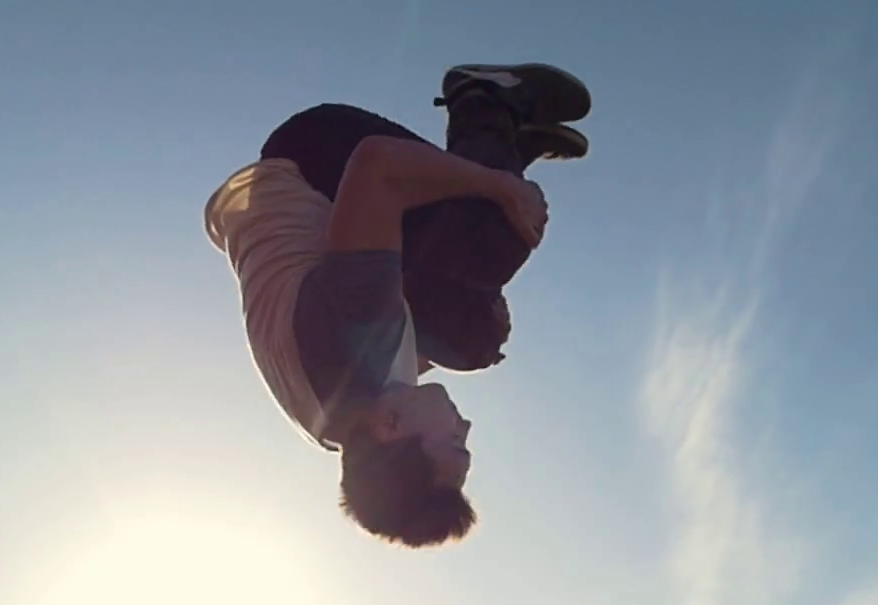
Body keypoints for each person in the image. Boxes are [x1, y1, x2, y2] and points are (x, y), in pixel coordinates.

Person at [204, 64, 591, 548]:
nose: (466, 426)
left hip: (318, 154)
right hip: (327, 225)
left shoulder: (356, 326)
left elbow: (378, 166)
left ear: (391, 427)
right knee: (475, 341)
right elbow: (398, 354)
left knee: (489, 236)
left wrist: (499, 186)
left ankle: (486, 98)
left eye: (456, 442)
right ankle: (514, 145)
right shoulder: (349, 424)